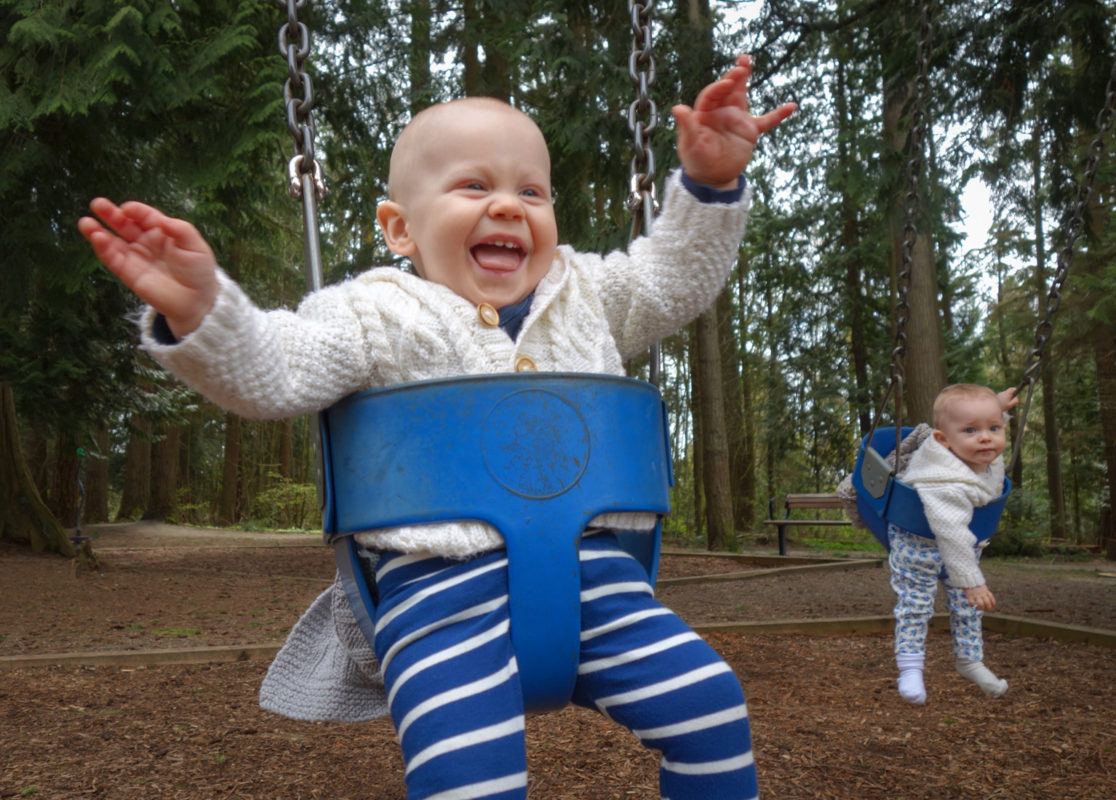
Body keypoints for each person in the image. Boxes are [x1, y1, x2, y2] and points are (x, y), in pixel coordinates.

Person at [80, 56, 796, 800]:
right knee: (464, 776)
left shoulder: (587, 293)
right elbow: (278, 365)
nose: (510, 207)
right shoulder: (370, 313)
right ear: (399, 228)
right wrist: (203, 311)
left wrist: (710, 187)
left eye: (532, 191)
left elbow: (672, 275)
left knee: (712, 709)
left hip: (603, 580)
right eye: (474, 186)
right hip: (438, 596)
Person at [888, 383, 1017, 705]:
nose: (986, 437)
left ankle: (969, 661)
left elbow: (981, 426)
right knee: (916, 606)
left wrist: (996, 406)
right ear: (943, 441)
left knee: (969, 610)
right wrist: (971, 582)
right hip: (917, 542)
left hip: (961, 547)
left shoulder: (975, 450)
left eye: (994, 428)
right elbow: (952, 533)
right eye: (971, 430)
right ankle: (910, 668)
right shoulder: (944, 480)